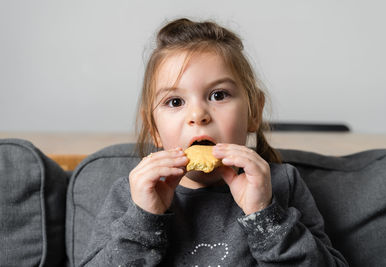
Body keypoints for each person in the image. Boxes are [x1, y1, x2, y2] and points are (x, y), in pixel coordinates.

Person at [80, 18, 348, 266]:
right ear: (154, 129)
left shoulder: (281, 184)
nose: (198, 115)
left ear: (253, 112)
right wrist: (144, 219)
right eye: (175, 102)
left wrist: (265, 214)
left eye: (219, 95)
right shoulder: (132, 195)